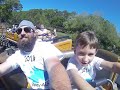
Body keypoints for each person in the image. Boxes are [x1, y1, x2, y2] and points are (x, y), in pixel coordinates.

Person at [0, 20, 72, 90]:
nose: (22, 33)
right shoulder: (18, 55)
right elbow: (3, 68)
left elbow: (54, 66)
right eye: (19, 31)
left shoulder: (45, 47)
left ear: (34, 33)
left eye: (27, 30)